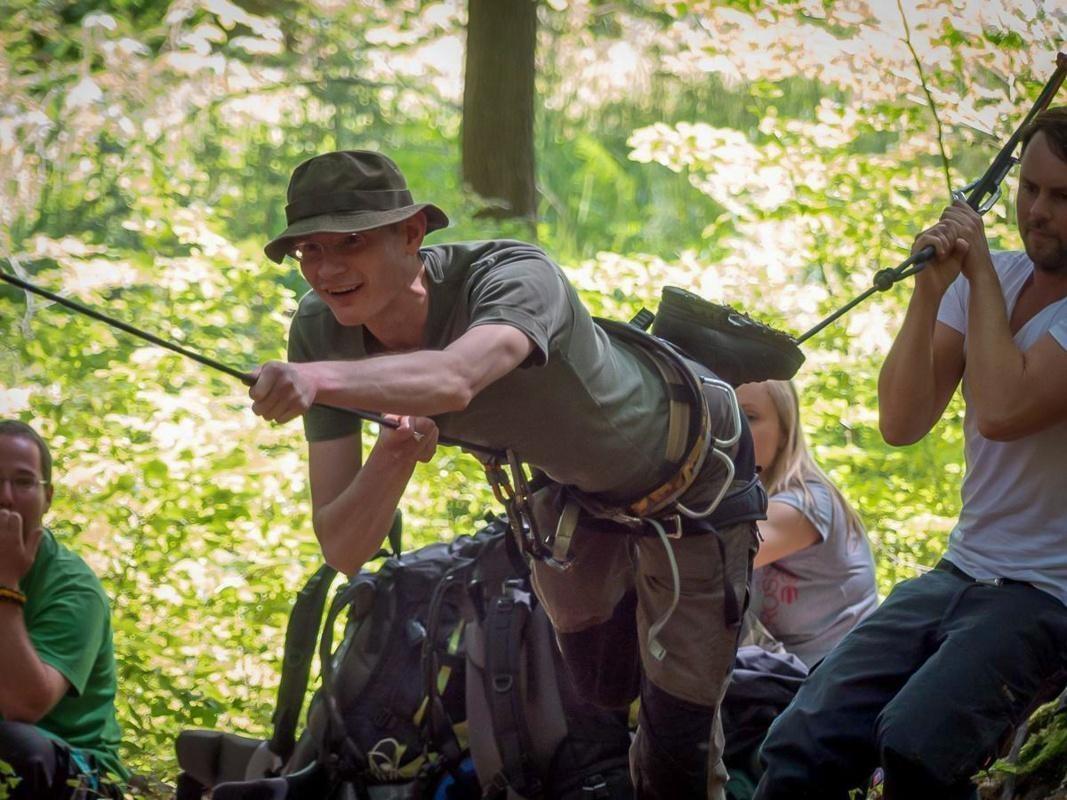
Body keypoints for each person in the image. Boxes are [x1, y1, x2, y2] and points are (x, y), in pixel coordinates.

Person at [247, 150, 767, 798]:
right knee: (600, 690)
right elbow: (344, 548)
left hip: (695, 478)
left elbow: (456, 377)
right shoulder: (320, 330)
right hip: (568, 497)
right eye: (309, 250)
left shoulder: (514, 275)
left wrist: (318, 381)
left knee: (676, 749)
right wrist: (394, 451)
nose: (326, 270)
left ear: (411, 233)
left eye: (350, 242)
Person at [754, 107, 1067, 799]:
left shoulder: (999, 285)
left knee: (915, 747)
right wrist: (929, 294)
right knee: (801, 736)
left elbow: (1004, 411)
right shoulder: (993, 280)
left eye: (1061, 196)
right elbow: (901, 421)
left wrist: (977, 275)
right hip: (958, 572)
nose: (1037, 211)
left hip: (1046, 596)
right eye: (1029, 188)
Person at [0, 420, 126, 799]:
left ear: (48, 497)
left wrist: (6, 585)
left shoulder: (74, 588)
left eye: (23, 482)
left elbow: (25, 705)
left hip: (80, 774)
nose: (6, 497)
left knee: (18, 745)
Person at [736, 379, 877, 669]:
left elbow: (714, 558)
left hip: (830, 680)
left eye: (749, 417)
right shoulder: (750, 497)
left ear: (785, 432)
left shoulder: (806, 503)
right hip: (775, 673)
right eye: (723, 413)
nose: (733, 428)